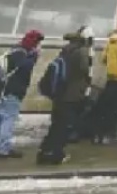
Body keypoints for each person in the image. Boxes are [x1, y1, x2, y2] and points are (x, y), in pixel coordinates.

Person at [0, 30, 44, 158]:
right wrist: (35, 56)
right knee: (8, 120)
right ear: (34, 43)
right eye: (38, 43)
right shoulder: (23, 54)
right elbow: (24, 69)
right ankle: (4, 149)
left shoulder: (14, 50)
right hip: (11, 92)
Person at [37, 26, 93, 165]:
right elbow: (85, 69)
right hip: (72, 94)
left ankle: (45, 151)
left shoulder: (67, 49)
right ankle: (56, 154)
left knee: (57, 124)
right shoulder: (82, 51)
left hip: (60, 93)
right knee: (65, 125)